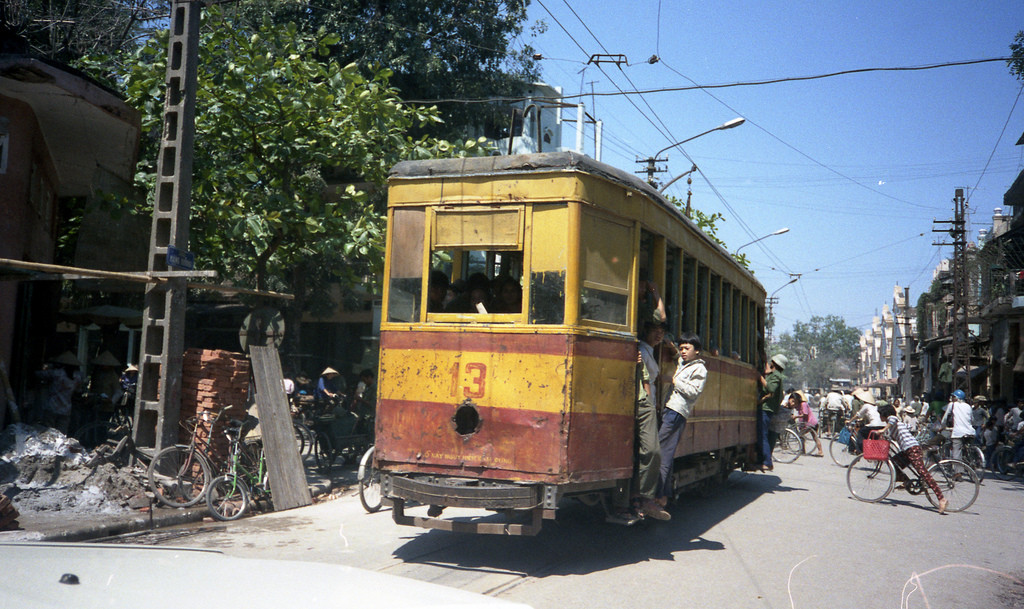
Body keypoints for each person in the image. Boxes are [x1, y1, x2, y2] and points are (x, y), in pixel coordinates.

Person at [656, 333, 707, 504]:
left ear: (697, 351)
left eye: (687, 348)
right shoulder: (685, 363)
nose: (683, 351)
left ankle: (656, 493)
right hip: (670, 410)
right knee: (666, 452)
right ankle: (663, 495)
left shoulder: (700, 369)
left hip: (676, 412)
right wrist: (670, 345)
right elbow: (678, 357)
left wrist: (673, 381)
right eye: (682, 348)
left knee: (659, 447)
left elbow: (694, 391)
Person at [878, 403, 947, 514]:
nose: (879, 417)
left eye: (880, 414)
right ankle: (907, 482)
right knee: (894, 464)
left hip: (913, 449)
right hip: (906, 450)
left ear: (884, 414)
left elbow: (892, 419)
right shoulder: (892, 426)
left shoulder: (893, 419)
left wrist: (883, 429)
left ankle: (941, 498)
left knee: (924, 474)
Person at [35, 351, 83, 434]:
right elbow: (78, 391)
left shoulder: (57, 373)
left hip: (52, 407)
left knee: (48, 432)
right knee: (61, 434)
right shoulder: (77, 377)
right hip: (66, 409)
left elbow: (39, 374)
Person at [755, 353, 787, 472]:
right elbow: (768, 371)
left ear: (775, 363)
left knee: (762, 435)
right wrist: (764, 361)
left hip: (766, 409)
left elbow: (771, 388)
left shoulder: (776, 375)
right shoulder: (776, 374)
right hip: (768, 408)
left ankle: (767, 462)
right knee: (762, 434)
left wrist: (759, 377)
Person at [941, 389, 975, 461]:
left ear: (956, 398)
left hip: (958, 432)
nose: (952, 398)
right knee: (969, 447)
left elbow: (945, 418)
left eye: (953, 397)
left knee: (956, 452)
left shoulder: (952, 405)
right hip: (970, 431)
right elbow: (972, 420)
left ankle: (958, 471)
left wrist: (943, 426)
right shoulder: (968, 406)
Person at [849, 387, 884, 453]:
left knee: (861, 433)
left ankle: (860, 450)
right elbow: (867, 416)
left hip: (874, 425)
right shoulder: (875, 406)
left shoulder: (866, 406)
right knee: (873, 436)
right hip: (882, 425)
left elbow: (858, 415)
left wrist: (850, 421)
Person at [790, 391, 823, 456]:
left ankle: (803, 450)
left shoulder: (803, 404)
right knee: (814, 437)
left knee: (800, 435)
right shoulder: (799, 405)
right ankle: (820, 451)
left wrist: (796, 416)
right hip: (812, 423)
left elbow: (805, 414)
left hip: (810, 423)